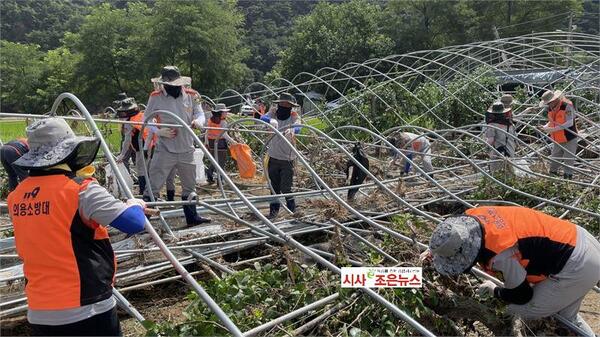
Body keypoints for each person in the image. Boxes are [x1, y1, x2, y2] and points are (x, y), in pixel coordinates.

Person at [7, 117, 147, 336]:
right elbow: (134, 222)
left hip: (40, 309)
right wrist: (134, 203)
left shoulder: (17, 196)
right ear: (68, 152)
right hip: (85, 306)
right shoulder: (80, 190)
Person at [422, 206, 600, 336]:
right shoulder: (472, 218)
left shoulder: (501, 253)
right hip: (580, 239)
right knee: (566, 316)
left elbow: (522, 295)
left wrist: (496, 291)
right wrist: (434, 250)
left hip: (576, 265)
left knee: (519, 311)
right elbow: (450, 239)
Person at [143, 66, 211, 226]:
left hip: (186, 147)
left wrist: (198, 122)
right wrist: (158, 131)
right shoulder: (156, 97)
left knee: (189, 184)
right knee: (154, 183)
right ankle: (142, 222)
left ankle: (192, 217)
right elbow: (146, 119)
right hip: (165, 148)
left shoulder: (193, 95)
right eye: (168, 84)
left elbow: (200, 113)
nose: (171, 87)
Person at [260, 93, 301, 218]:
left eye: (287, 104)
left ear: (291, 106)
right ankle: (273, 212)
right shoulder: (273, 113)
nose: (284, 106)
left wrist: (293, 130)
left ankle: (292, 211)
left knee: (286, 188)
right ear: (278, 104)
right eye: (282, 104)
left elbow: (299, 126)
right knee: (274, 187)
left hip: (287, 159)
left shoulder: (293, 116)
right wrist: (270, 120)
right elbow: (262, 118)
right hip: (273, 157)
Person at [115, 97, 156, 195]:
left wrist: (122, 155)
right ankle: (150, 191)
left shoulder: (130, 122)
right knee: (150, 169)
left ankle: (144, 192)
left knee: (142, 171)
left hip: (143, 148)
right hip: (152, 146)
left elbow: (127, 140)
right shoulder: (143, 115)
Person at [537, 90, 579, 179]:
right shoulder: (550, 108)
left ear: (555, 100)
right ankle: (553, 178)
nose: (548, 105)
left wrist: (552, 129)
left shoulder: (566, 106)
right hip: (557, 139)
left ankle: (568, 181)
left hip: (569, 138)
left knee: (568, 162)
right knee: (554, 160)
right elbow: (552, 121)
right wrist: (545, 127)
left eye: (549, 103)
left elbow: (569, 123)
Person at [205, 103, 236, 184]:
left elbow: (207, 132)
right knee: (221, 162)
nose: (226, 113)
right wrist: (233, 142)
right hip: (220, 143)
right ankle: (220, 180)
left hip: (211, 142)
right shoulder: (223, 122)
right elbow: (224, 134)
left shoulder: (211, 120)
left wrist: (206, 142)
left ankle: (209, 175)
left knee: (214, 160)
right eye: (225, 112)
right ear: (221, 112)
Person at [485, 101, 516, 173]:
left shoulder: (492, 125)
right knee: (509, 173)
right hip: (510, 152)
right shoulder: (511, 125)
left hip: (499, 153)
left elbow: (490, 140)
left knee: (496, 174)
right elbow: (515, 139)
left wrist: (485, 145)